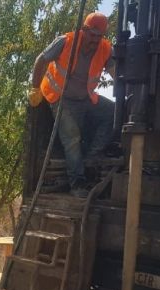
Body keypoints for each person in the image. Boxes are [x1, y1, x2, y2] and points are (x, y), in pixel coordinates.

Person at [28, 12, 116, 198]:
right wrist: (35, 89)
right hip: (60, 98)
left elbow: (117, 73)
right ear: (83, 30)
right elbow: (40, 60)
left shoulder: (105, 49)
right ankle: (77, 184)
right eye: (92, 35)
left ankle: (92, 157)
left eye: (99, 36)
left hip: (85, 99)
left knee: (113, 112)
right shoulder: (65, 42)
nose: (95, 40)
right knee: (72, 138)